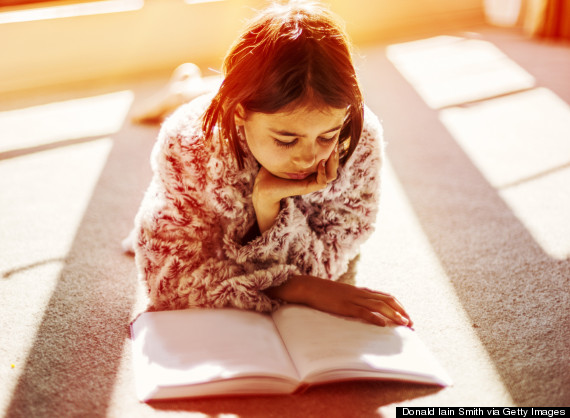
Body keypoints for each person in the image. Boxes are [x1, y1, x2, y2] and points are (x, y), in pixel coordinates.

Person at [127, 0, 413, 328]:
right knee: (205, 98)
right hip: (211, 113)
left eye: (326, 136)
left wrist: (269, 209)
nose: (309, 157)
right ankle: (183, 90)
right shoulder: (188, 141)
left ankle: (192, 88)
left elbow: (330, 256)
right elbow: (168, 282)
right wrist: (296, 286)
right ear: (239, 114)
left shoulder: (359, 142)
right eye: (286, 140)